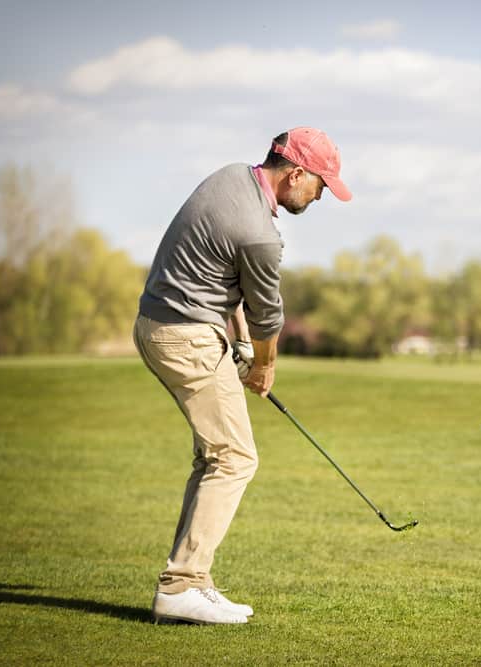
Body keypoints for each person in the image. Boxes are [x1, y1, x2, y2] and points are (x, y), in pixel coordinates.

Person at [133, 127, 351, 624]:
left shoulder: (231, 177)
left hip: (163, 324)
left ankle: (191, 581)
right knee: (234, 458)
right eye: (321, 186)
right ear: (296, 174)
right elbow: (266, 316)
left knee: (214, 456)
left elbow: (222, 282)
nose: (321, 197)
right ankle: (181, 585)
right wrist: (263, 366)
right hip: (184, 335)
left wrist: (242, 349)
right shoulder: (260, 234)